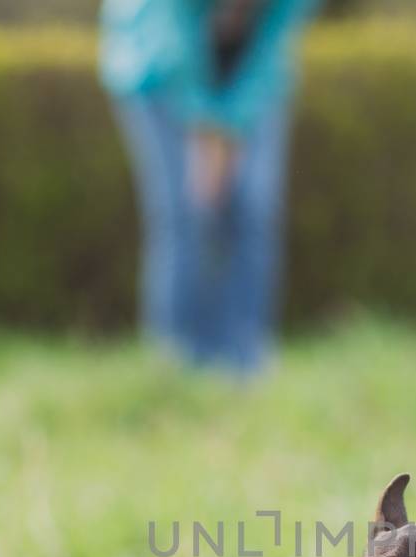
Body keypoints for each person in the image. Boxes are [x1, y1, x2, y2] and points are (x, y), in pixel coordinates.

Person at [100, 0, 318, 376]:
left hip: (249, 76)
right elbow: (174, 39)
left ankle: (244, 359)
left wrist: (231, 122)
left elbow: (271, 43)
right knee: (184, 211)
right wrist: (204, 126)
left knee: (254, 206)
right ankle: (176, 357)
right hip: (159, 70)